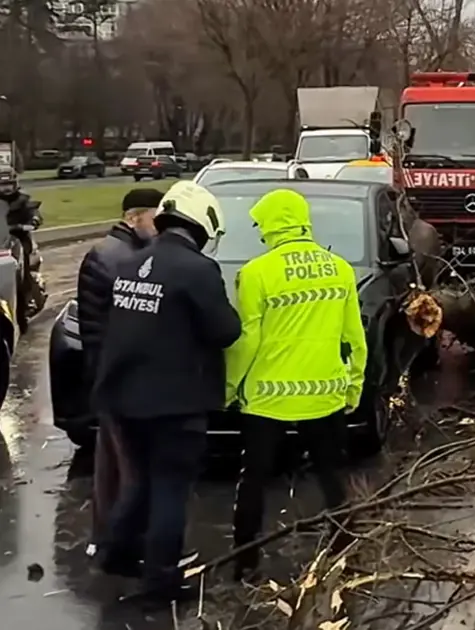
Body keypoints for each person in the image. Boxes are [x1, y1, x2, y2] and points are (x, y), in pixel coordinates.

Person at [92, 181, 240, 607]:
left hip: (125, 397)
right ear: (202, 223)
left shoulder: (133, 263)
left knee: (139, 482)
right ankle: (160, 583)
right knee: (170, 490)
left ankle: (116, 552)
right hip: (175, 403)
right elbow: (225, 330)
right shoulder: (197, 270)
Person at [225, 188, 366, 581]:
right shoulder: (340, 269)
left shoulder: (255, 273)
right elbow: (355, 339)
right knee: (331, 475)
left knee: (253, 480)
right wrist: (352, 387)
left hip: (267, 400)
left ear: (272, 223)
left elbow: (247, 340)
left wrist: (230, 387)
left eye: (261, 225)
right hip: (325, 396)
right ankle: (342, 548)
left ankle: (245, 561)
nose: (259, 233)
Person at [76, 188, 162, 559]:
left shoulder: (111, 253)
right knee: (128, 468)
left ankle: (105, 537)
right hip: (119, 377)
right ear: (133, 217)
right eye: (154, 218)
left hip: (107, 375)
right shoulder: (123, 259)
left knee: (110, 465)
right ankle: (124, 545)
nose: (159, 227)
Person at [0, 167, 44, 322]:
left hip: (19, 240)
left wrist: (34, 220)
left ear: (15, 184)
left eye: (8, 185)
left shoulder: (23, 200)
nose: (5, 189)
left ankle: (28, 297)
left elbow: (34, 212)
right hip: (1, 240)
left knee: (22, 262)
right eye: (2, 185)